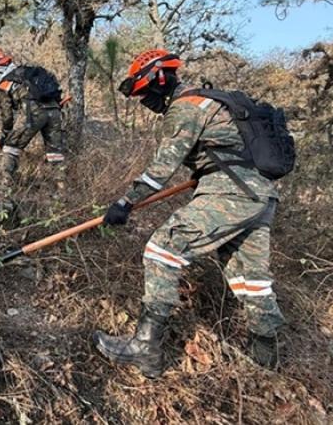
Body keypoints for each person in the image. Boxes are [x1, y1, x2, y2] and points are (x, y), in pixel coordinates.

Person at [94, 49, 287, 377]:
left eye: (144, 94)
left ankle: (145, 347)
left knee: (162, 251)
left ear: (158, 81)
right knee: (250, 277)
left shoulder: (186, 106)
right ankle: (265, 361)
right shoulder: (214, 104)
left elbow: (162, 167)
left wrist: (125, 203)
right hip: (260, 196)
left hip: (230, 191)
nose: (144, 102)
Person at [0, 48, 65, 187]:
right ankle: (61, 189)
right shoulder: (27, 72)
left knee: (10, 147)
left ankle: (5, 186)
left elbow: (7, 116)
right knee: (55, 153)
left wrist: (5, 135)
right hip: (54, 110)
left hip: (34, 112)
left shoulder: (4, 83)